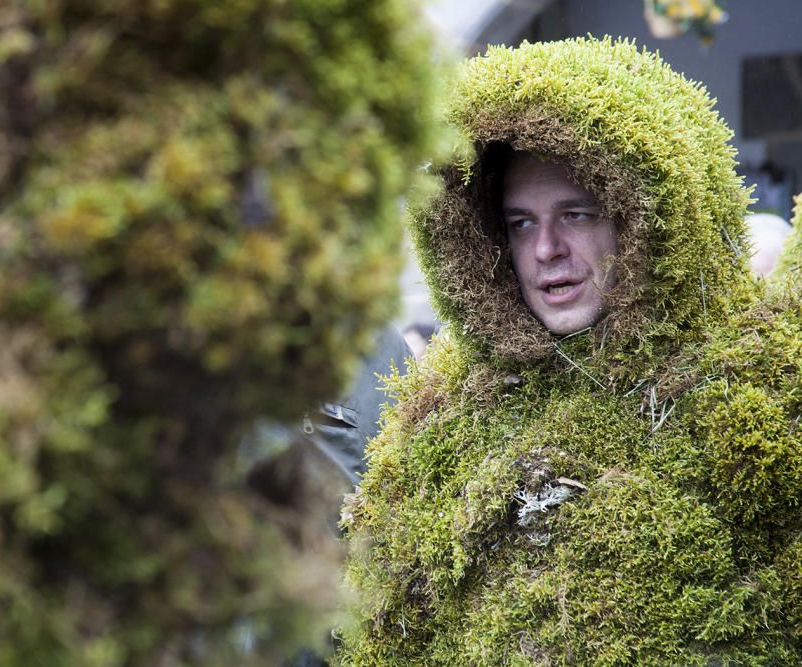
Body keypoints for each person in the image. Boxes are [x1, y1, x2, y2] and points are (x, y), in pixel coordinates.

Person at [337, 37, 802, 664]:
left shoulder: (760, 393)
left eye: (575, 215)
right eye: (520, 222)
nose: (545, 249)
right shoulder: (443, 421)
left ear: (645, 222)